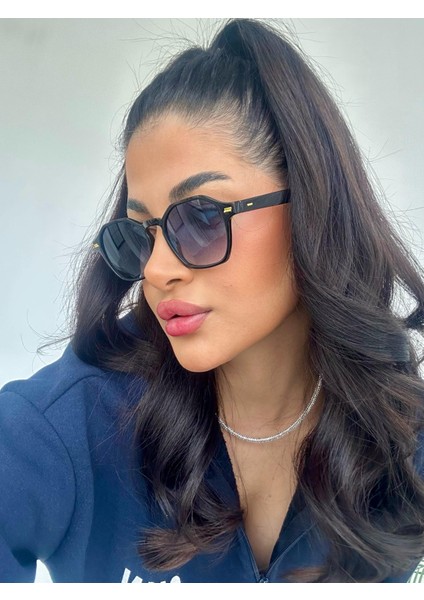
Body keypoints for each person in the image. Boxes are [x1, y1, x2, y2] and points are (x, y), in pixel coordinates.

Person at [1, 18, 424, 584]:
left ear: (310, 207)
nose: (156, 271)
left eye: (200, 217)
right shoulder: (79, 421)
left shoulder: (400, 436)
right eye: (140, 234)